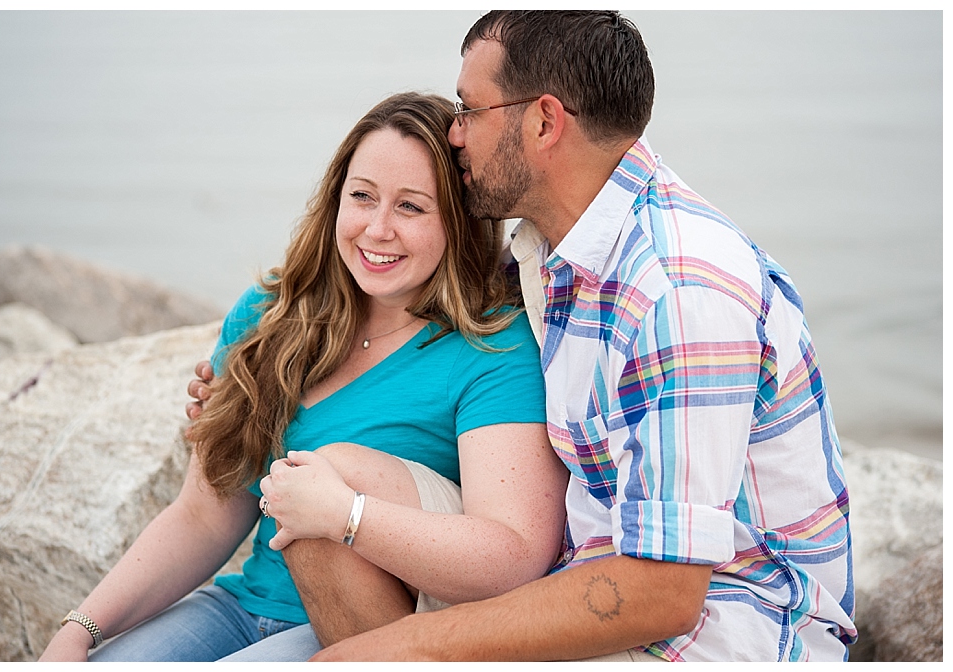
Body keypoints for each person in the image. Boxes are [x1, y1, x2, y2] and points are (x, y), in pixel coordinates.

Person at [188, 10, 858, 662]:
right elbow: (421, 336)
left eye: (468, 109)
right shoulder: (547, 250)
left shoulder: (680, 292)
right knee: (323, 486)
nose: (454, 135)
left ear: (543, 121)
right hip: (582, 570)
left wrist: (396, 651)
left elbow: (662, 594)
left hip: (714, 628)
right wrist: (249, 384)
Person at [38, 91, 568, 662]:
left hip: (365, 626)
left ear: (458, 221)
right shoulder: (271, 314)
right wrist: (79, 630)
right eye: (362, 197)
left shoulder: (491, 346)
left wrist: (347, 518)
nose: (378, 229)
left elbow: (513, 552)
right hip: (238, 606)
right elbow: (204, 515)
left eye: (411, 207)